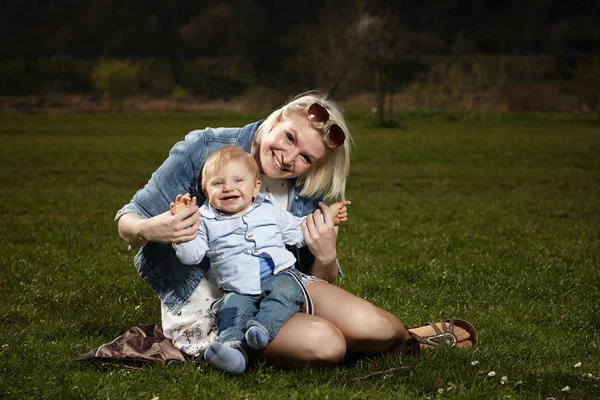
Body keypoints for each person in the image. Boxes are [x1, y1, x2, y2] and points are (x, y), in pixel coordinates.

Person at [115, 90, 476, 369]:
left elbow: (313, 276)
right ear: (277, 118)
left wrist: (326, 255)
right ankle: (234, 344)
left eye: (306, 157)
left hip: (281, 287)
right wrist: (152, 228)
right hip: (213, 301)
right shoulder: (205, 149)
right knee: (326, 346)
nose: (290, 158)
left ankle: (407, 338)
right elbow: (127, 221)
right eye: (289, 138)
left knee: (377, 326)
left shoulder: (302, 185)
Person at [170, 146, 350, 374]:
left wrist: (328, 217)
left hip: (279, 275)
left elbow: (298, 230)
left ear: (255, 187)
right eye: (218, 183)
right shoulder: (204, 221)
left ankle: (263, 328)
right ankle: (233, 352)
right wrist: (182, 225)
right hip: (238, 288)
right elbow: (190, 255)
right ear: (205, 190)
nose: (228, 187)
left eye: (238, 180)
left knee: (287, 292)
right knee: (231, 313)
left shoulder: (268, 209)